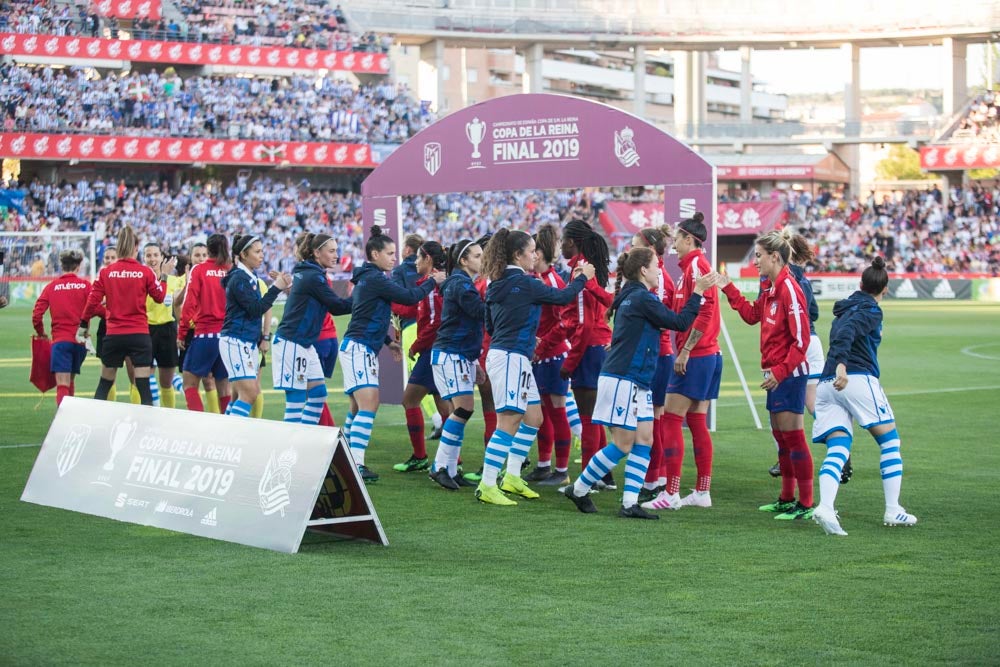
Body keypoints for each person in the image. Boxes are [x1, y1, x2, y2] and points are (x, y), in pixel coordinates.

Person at [563, 247, 716, 518]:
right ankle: (579, 488)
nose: (660, 269)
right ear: (643, 270)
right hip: (624, 378)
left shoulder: (634, 297)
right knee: (623, 444)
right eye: (657, 264)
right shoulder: (642, 299)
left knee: (644, 440)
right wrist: (697, 292)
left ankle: (629, 503)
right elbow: (679, 322)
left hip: (637, 380)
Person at [477, 228, 595, 506]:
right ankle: (487, 484)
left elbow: (491, 325)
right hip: (510, 358)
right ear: (517, 255)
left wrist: (525, 334)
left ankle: (512, 477)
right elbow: (564, 297)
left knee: (534, 418)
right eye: (531, 251)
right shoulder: (526, 282)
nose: (536, 255)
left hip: (510, 354)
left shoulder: (496, 282)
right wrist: (582, 279)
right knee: (508, 422)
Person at [811, 257, 917, 536]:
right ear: (886, 289)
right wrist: (843, 364)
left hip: (826, 384)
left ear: (860, 283)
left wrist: (837, 366)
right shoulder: (870, 310)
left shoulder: (844, 308)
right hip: (854, 379)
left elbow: (842, 330)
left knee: (839, 448)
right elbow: (847, 334)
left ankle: (825, 506)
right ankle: (893, 509)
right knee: (890, 441)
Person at [719, 229, 814, 521]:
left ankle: (806, 504)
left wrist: (782, 372)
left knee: (794, 437)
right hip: (775, 374)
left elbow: (803, 340)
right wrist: (728, 287)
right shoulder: (771, 287)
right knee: (781, 437)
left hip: (790, 375)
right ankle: (786, 498)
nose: (755, 261)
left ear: (775, 257)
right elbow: (751, 315)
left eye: (758, 256)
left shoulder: (789, 288)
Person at [340, 226, 444, 483]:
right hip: (359, 348)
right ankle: (357, 464)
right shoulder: (376, 278)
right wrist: (433, 281)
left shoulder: (368, 277)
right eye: (389, 253)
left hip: (358, 347)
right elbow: (409, 298)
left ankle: (346, 460)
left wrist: (388, 341)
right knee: (369, 404)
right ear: (375, 254)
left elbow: (368, 315)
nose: (394, 258)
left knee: (356, 407)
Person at [642, 213, 723, 511]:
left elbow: (705, 313)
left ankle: (671, 492)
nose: (674, 243)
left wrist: (686, 350)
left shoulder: (696, 268)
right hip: (709, 354)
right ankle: (702, 492)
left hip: (698, 355)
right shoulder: (693, 267)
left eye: (677, 238)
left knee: (672, 420)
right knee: (697, 422)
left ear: (689, 239)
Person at [79, 226, 169, 406]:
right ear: (136, 247)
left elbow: (92, 301)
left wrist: (83, 324)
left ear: (118, 247)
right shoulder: (145, 272)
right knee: (143, 386)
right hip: (139, 335)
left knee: (104, 384)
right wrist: (164, 276)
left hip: (114, 335)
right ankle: (146, 428)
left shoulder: (106, 272)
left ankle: (95, 425)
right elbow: (159, 298)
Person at [273, 233, 352, 427]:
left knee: (317, 395)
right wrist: (364, 295)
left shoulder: (309, 273)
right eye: (331, 251)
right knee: (296, 401)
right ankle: (291, 451)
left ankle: (305, 441)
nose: (336, 255)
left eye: (336, 250)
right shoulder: (313, 276)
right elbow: (337, 307)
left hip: (304, 344)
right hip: (292, 343)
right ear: (317, 253)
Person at [560, 218, 614, 489]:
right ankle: (604, 475)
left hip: (588, 348)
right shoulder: (590, 266)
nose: (560, 245)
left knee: (588, 417)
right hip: (595, 346)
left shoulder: (581, 270)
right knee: (594, 415)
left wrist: (570, 361)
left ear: (572, 242)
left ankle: (587, 480)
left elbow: (584, 322)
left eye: (563, 240)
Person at [428, 238, 486, 490]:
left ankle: (451, 468)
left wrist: (474, 361)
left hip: (455, 353)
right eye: (476, 256)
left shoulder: (459, 283)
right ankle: (439, 466)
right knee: (463, 410)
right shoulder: (462, 285)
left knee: (458, 412)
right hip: (453, 353)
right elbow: (482, 313)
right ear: (463, 260)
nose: (481, 260)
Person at [524, 224, 575, 487]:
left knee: (557, 411)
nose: (529, 255)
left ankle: (562, 469)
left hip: (553, 355)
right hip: (539, 356)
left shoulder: (554, 281)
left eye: (533, 251)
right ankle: (543, 465)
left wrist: (541, 345)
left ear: (540, 254)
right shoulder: (536, 281)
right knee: (542, 412)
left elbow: (563, 322)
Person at [396, 241, 453, 474]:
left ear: (428, 259)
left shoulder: (433, 286)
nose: (415, 263)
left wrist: (416, 346)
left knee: (409, 401)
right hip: (440, 350)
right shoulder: (435, 283)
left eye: (418, 258)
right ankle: (452, 460)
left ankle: (420, 456)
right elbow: (416, 310)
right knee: (444, 406)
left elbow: (435, 322)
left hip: (431, 351)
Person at [629, 225, 677, 504]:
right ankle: (654, 477)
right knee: (651, 419)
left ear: (648, 247)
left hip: (656, 356)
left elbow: (656, 318)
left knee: (652, 421)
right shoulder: (656, 276)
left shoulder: (658, 279)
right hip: (655, 353)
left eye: (636, 244)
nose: (631, 249)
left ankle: (653, 479)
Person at [220, 234, 290, 418]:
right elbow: (255, 309)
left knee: (238, 395)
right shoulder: (239, 278)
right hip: (236, 340)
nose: (261, 256)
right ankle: (232, 438)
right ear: (243, 254)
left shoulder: (248, 276)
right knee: (250, 393)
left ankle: (225, 435)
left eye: (262, 252)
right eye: (257, 252)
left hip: (244, 340)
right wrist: (276, 288)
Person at [178, 234, 232, 414]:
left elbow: (189, 304)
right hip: (226, 336)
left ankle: (198, 427)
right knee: (224, 388)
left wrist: (182, 332)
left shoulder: (199, 270)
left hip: (205, 335)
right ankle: (226, 430)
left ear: (208, 250)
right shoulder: (231, 269)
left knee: (189, 383)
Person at [32, 249, 91, 407]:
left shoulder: (52, 287)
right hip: (80, 343)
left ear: (61, 266)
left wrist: (41, 333)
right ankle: (69, 420)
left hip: (61, 341)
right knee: (70, 380)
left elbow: (37, 315)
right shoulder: (85, 286)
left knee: (62, 384)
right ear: (78, 266)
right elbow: (96, 307)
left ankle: (62, 422)